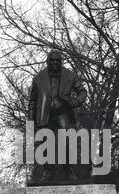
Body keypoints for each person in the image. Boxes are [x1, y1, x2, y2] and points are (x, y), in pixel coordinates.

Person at [28, 49, 87, 182]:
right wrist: (31, 120)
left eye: (57, 61)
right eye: (52, 60)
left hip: (63, 112)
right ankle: (48, 172)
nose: (55, 63)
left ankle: (69, 170)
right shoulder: (38, 78)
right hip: (45, 114)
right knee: (45, 142)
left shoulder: (70, 76)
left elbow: (82, 92)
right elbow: (32, 100)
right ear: (47, 62)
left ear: (61, 62)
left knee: (67, 141)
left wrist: (74, 102)